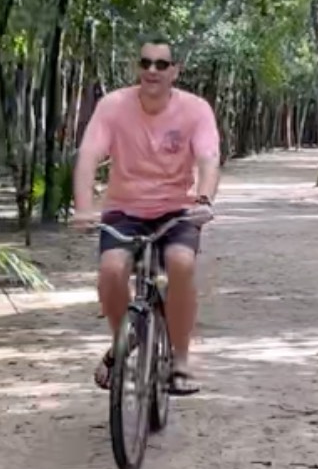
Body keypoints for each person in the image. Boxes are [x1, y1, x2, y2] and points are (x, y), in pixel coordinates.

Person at [71, 39, 221, 396]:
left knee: (180, 263)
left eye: (161, 64)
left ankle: (181, 362)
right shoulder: (113, 106)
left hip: (178, 211)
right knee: (111, 271)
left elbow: (208, 158)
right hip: (125, 210)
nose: (153, 70)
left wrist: (204, 199)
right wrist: (83, 206)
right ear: (138, 68)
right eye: (146, 63)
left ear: (174, 71)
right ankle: (126, 340)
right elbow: (89, 155)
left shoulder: (196, 109)